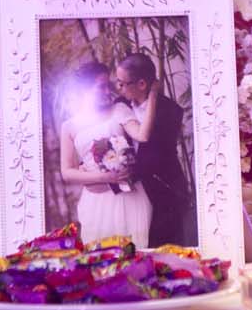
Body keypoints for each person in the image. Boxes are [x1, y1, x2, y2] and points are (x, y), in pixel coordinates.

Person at [57, 61, 151, 246]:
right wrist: (105, 177)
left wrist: (153, 95)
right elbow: (67, 172)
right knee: (100, 256)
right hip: (95, 203)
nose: (108, 92)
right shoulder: (69, 126)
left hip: (129, 198)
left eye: (108, 86)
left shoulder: (119, 110)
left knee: (136, 252)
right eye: (101, 87)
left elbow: (142, 135)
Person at [115, 53, 197, 247]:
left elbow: (157, 156)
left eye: (123, 83)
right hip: (128, 193)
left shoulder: (170, 111)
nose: (119, 88)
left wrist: (127, 174)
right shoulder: (119, 106)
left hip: (162, 190)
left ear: (142, 84)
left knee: (161, 247)